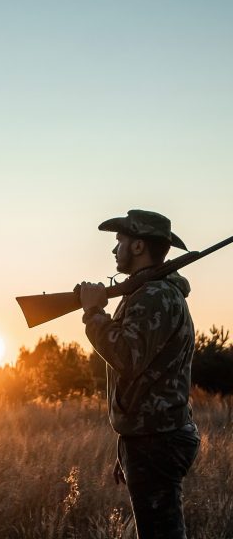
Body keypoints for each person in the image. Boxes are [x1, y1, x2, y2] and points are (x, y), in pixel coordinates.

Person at [77, 209, 200, 539]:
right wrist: (128, 444)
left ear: (137, 247)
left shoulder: (154, 296)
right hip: (150, 436)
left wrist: (93, 312)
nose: (114, 249)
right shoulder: (149, 293)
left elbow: (126, 358)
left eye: (120, 241)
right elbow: (143, 377)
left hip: (156, 439)